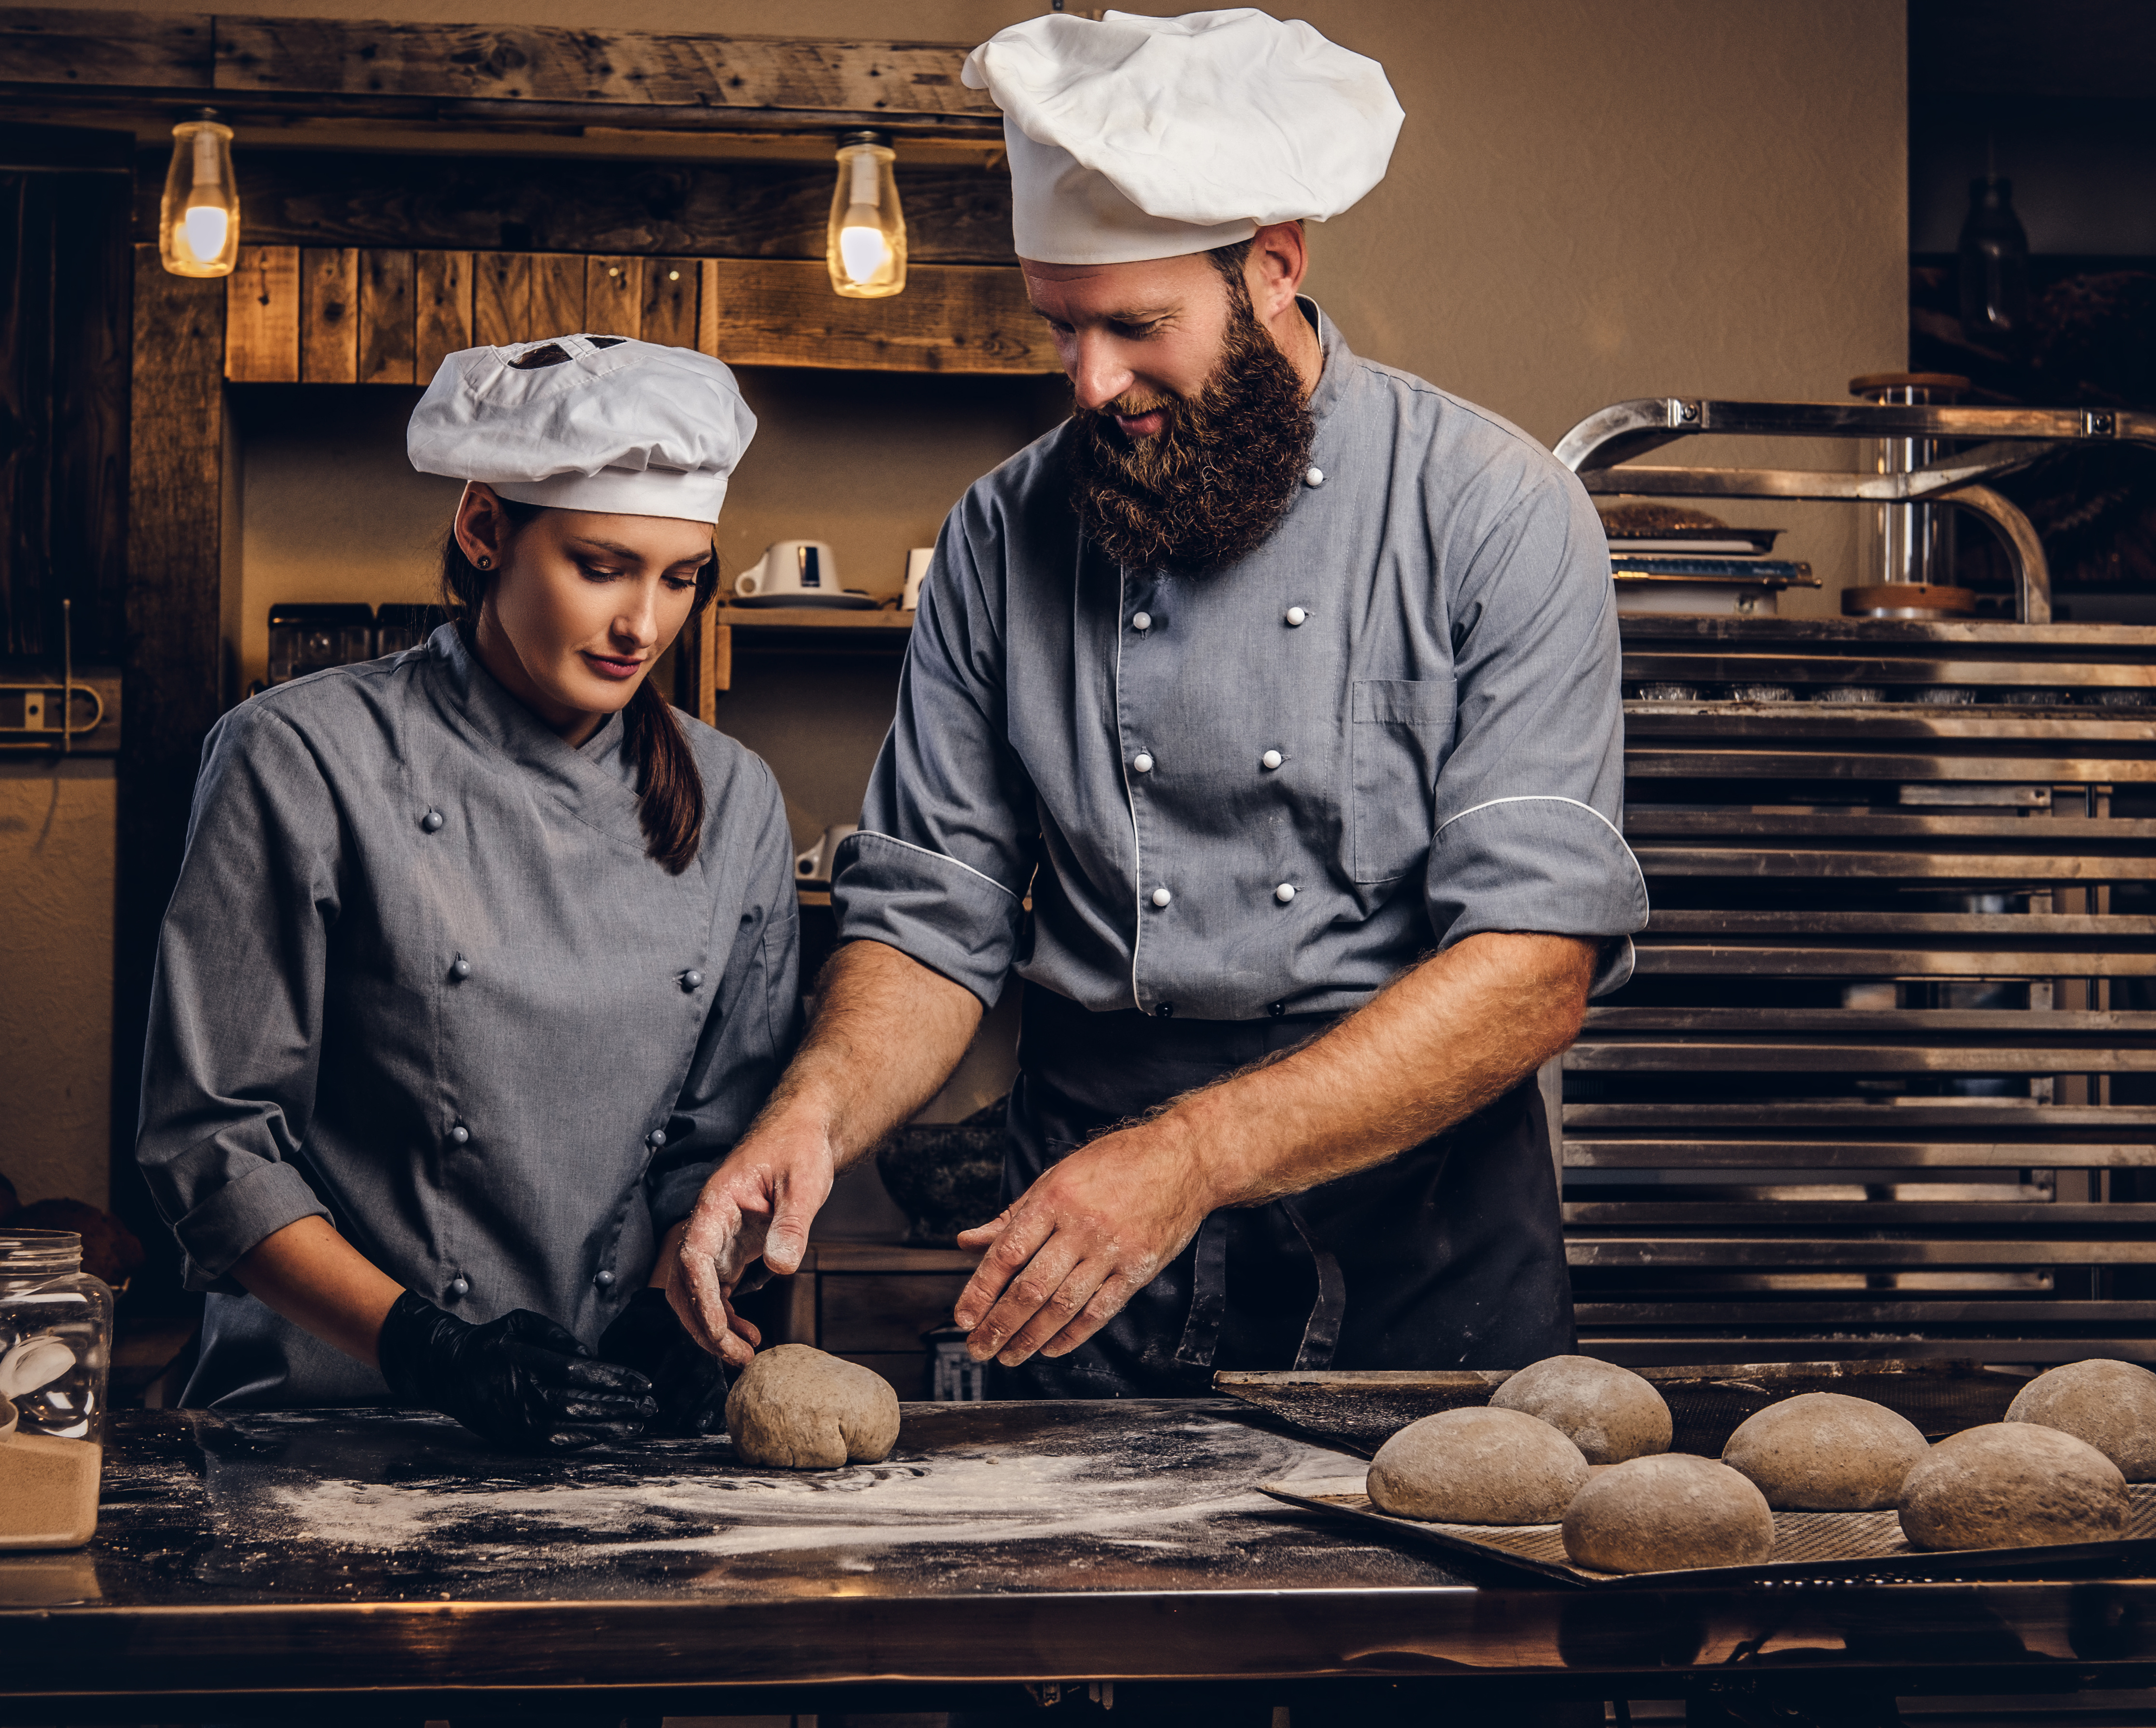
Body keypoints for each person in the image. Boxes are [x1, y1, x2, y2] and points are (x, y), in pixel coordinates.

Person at [674, 8, 1649, 1397]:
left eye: (1138, 327)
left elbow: (1535, 970)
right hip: (1089, 1251)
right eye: (1060, 326)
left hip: (1418, 1248)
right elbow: (934, 924)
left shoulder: (1493, 513)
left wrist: (1191, 1156)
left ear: (1270, 271)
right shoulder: (1000, 536)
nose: (1090, 382)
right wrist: (815, 1116)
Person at [136, 333, 797, 1448]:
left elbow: (727, 1142)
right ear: (485, 529)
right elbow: (213, 1143)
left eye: (680, 577)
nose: (644, 623)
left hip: (602, 1429)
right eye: (601, 566)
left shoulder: (733, 797)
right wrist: (427, 1348)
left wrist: (687, 1310)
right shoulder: (299, 756)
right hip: (331, 1418)